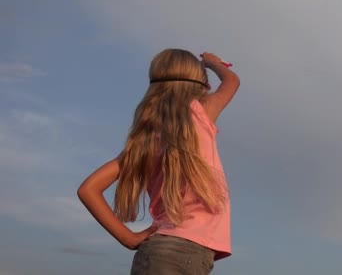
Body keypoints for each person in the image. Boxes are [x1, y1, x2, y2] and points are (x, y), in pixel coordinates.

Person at [77, 48, 240, 274]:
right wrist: (212, 63)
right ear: (201, 86)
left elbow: (88, 189)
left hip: (153, 253)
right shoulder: (201, 114)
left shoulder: (143, 141)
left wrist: (130, 239)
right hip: (183, 253)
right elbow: (231, 81)